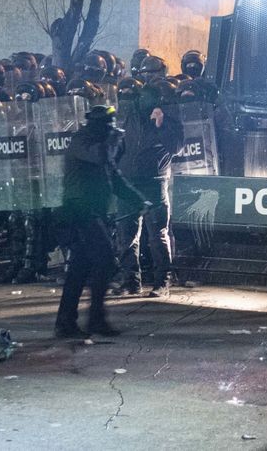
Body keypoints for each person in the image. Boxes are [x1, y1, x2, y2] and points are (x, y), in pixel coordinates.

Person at [56, 105, 146, 338]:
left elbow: (114, 178)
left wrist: (138, 201)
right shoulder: (82, 141)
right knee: (105, 261)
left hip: (94, 212)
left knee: (79, 269)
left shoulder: (101, 143)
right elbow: (101, 157)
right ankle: (92, 319)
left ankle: (68, 322)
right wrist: (113, 139)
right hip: (80, 212)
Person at [117, 83, 183, 295]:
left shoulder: (169, 119)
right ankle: (131, 282)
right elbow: (121, 145)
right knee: (126, 234)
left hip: (155, 182)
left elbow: (176, 148)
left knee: (157, 234)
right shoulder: (130, 117)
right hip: (128, 182)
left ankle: (163, 281)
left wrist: (161, 124)